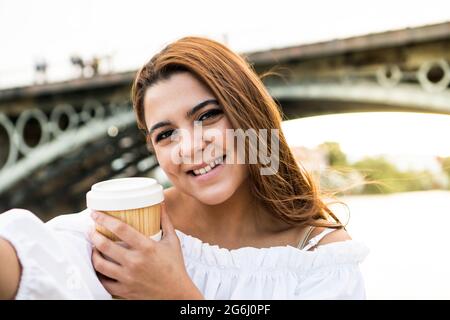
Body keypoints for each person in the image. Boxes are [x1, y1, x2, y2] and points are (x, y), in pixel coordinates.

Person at [0, 37, 369, 300]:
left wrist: (174, 293)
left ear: (250, 114)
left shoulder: (322, 258)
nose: (191, 147)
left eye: (208, 115)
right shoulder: (132, 229)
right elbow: (33, 262)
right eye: (166, 134)